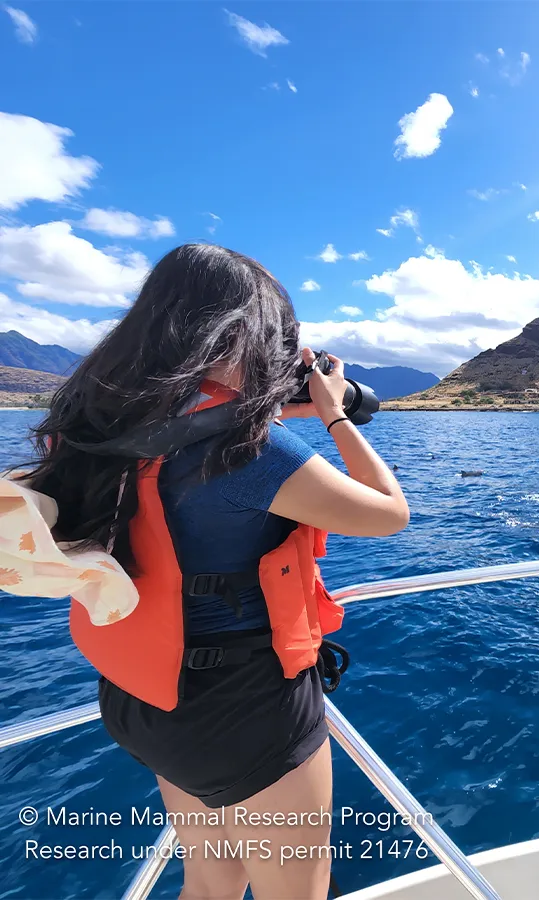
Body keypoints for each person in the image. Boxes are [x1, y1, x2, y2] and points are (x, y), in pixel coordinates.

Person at [23, 244, 410, 900]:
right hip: (242, 708)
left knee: (211, 879)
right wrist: (335, 411)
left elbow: (183, 442)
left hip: (147, 698)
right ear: (246, 333)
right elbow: (389, 514)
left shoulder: (97, 424)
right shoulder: (251, 450)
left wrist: (271, 407)